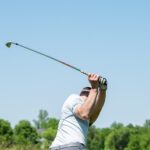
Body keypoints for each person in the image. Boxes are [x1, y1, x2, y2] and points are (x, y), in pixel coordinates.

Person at [50, 73, 107, 150]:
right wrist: (94, 88)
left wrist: (103, 89)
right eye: (93, 99)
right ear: (88, 95)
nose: (94, 103)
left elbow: (98, 108)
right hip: (71, 146)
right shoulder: (74, 98)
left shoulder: (87, 114)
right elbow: (84, 114)